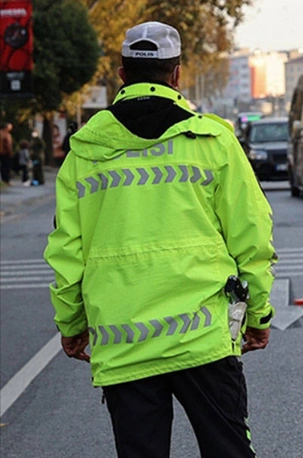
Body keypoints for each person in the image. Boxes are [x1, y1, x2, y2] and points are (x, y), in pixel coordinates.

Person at [44, 21, 275, 458]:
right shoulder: (212, 141)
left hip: (125, 343)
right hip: (204, 340)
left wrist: (72, 325)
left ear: (121, 74)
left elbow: (67, 252)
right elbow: (252, 236)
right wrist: (259, 315)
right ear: (177, 74)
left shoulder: (84, 151)